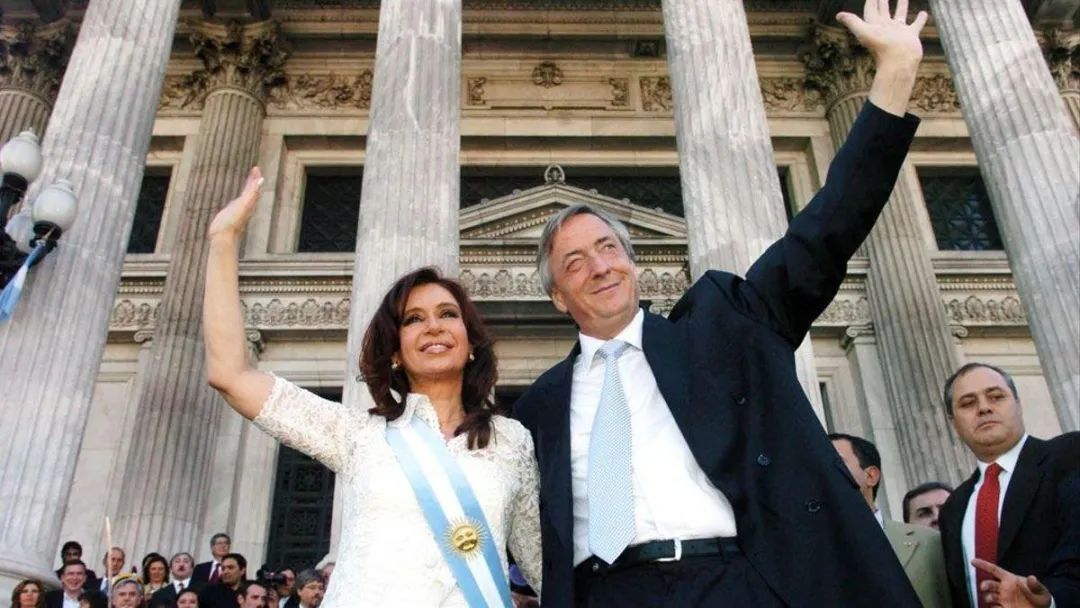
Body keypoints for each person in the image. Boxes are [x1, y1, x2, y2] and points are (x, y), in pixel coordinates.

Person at [513, 1, 930, 605]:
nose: (600, 267)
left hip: (728, 582)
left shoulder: (723, 327)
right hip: (607, 594)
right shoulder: (539, 406)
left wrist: (894, 74)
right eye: (575, 262)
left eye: (608, 249)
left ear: (633, 263)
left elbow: (824, 231)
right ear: (557, 295)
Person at [204, 172, 542, 606]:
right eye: (413, 319)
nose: (433, 326)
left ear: (471, 341)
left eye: (447, 314)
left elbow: (544, 566)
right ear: (395, 351)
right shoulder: (357, 435)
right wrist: (224, 239)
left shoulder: (512, 442)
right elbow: (231, 375)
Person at [937, 362, 1080, 608]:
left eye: (996, 397)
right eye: (968, 403)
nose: (984, 408)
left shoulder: (1070, 456)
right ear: (953, 422)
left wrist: (1050, 601)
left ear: (1018, 404)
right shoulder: (953, 507)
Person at [830, 433, 951, 608]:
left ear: (871, 476)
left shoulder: (930, 543)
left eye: (835, 462)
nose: (821, 471)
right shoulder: (804, 555)